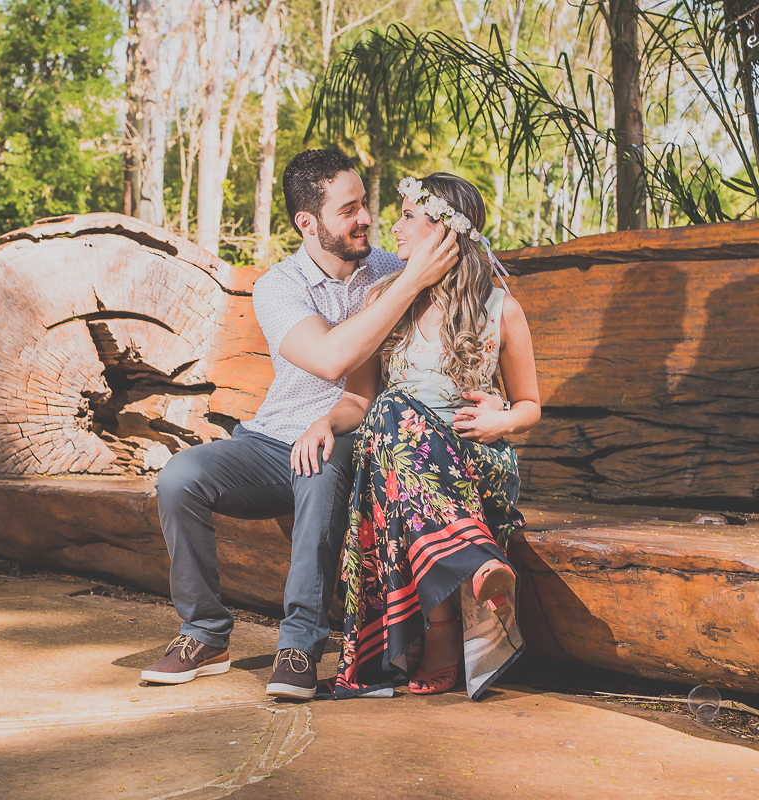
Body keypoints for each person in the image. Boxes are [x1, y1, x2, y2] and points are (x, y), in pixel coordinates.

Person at [143, 150, 461, 700]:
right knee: (177, 478)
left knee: (317, 470)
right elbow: (329, 360)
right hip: (270, 439)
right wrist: (408, 285)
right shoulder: (279, 286)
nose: (366, 218)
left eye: (365, 204)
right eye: (349, 210)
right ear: (306, 223)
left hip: (354, 435)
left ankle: (299, 645)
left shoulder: (391, 266)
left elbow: (469, 299)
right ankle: (205, 632)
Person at [296, 173, 541, 700]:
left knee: (393, 424)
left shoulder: (500, 309)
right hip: (400, 464)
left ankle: (445, 627)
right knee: (390, 412)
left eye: (409, 216)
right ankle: (472, 564)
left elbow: (530, 407)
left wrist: (502, 421)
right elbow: (359, 400)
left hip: (475, 465)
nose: (394, 226)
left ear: (444, 233)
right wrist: (324, 422)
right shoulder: (385, 301)